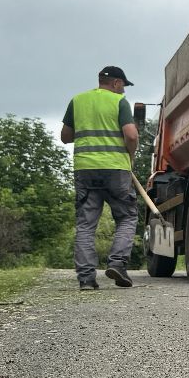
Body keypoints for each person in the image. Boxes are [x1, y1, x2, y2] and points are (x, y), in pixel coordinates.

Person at [60, 66, 140, 289]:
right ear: (115, 83)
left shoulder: (77, 101)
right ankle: (117, 263)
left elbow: (65, 137)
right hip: (116, 169)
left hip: (85, 170)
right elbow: (131, 135)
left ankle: (86, 279)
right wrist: (130, 156)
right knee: (126, 217)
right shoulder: (118, 102)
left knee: (86, 225)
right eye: (123, 86)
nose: (123, 91)